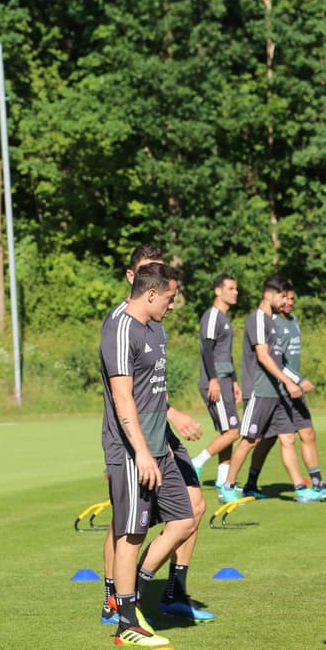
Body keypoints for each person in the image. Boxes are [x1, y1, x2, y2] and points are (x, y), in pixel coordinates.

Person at [97, 246, 212, 627]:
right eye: (169, 297)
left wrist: (170, 418)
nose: (173, 305)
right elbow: (123, 396)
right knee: (130, 531)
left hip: (159, 441)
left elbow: (152, 388)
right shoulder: (120, 327)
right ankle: (125, 617)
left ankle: (136, 590)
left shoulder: (155, 326)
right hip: (134, 449)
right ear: (148, 291)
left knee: (185, 518)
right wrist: (142, 452)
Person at [241, 279, 326, 501]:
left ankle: (317, 484)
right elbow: (276, 360)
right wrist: (295, 380)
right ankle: (249, 483)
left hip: (293, 387)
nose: (288, 302)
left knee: (307, 433)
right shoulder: (270, 321)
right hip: (281, 388)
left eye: (291, 298)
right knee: (269, 439)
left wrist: (297, 381)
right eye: (284, 297)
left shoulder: (294, 322)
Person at [221, 277, 312, 503]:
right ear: (268, 295)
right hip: (259, 391)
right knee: (250, 440)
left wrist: (292, 381)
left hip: (276, 392)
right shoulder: (258, 319)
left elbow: (278, 360)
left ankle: (301, 489)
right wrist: (288, 382)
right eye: (281, 296)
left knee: (288, 437)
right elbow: (263, 356)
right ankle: (227, 487)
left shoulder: (271, 321)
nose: (285, 300)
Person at [191, 274, 242, 497]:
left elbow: (225, 354)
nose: (235, 292)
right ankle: (196, 462)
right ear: (217, 291)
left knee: (227, 432)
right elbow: (207, 349)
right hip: (216, 382)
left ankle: (223, 482)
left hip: (225, 380)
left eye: (236, 288)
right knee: (233, 431)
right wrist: (213, 379)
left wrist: (235, 381)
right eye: (230, 288)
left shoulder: (224, 318)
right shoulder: (212, 316)